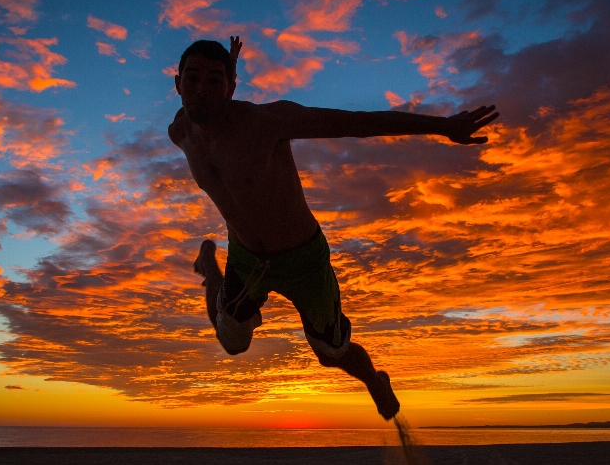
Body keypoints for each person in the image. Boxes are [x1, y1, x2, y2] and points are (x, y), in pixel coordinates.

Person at [168, 37, 499, 420]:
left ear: (230, 88)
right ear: (177, 84)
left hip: (303, 260)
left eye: (215, 81)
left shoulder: (266, 123)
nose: (201, 90)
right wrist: (228, 67)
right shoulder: (180, 133)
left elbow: (353, 124)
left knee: (331, 355)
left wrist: (443, 125)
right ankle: (211, 268)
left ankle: (374, 379)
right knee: (232, 342)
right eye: (192, 79)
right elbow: (208, 98)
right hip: (246, 257)